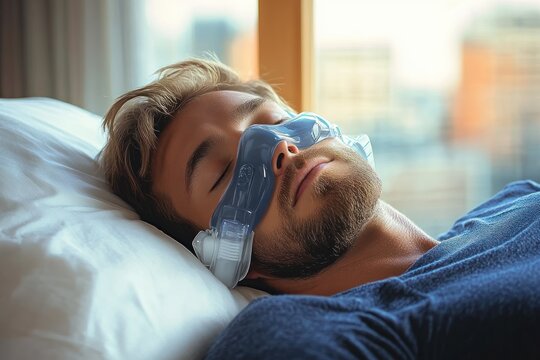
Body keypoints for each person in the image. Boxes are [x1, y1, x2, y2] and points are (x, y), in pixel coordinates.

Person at [101, 58, 540, 358]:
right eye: (225, 172)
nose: (280, 147)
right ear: (223, 254)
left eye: (270, 121)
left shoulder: (517, 201)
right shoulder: (299, 336)